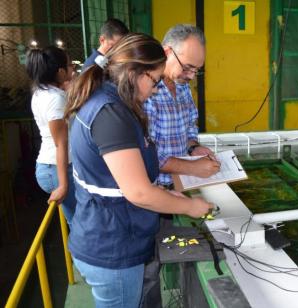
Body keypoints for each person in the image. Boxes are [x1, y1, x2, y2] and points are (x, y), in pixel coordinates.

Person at [64, 33, 212, 307]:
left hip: (110, 234)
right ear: (135, 73)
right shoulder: (111, 113)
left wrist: (171, 197)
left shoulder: (113, 103)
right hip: (112, 247)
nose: (155, 90)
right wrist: (190, 207)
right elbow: (139, 192)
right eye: (154, 81)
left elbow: (125, 178)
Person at [144, 24, 219, 191]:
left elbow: (190, 124)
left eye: (197, 70)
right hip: (156, 189)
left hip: (181, 184)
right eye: (187, 67)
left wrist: (193, 147)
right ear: (167, 53)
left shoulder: (182, 85)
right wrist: (192, 167)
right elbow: (145, 153)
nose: (191, 76)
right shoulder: (145, 91)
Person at [26, 46, 76, 224]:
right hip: (56, 168)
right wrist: (63, 185)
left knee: (77, 221)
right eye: (70, 66)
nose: (73, 69)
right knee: (78, 223)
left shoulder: (42, 92)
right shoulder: (55, 99)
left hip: (53, 166)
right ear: (60, 72)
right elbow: (60, 144)